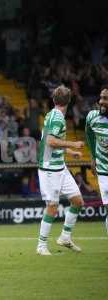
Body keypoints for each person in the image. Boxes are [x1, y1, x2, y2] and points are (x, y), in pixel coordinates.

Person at [36, 85, 85, 256]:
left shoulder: (51, 114)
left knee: (78, 201)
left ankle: (65, 237)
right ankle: (41, 246)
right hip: (50, 169)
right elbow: (50, 141)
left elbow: (49, 141)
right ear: (69, 101)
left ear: (54, 100)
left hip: (60, 167)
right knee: (52, 205)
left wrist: (70, 152)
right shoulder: (57, 118)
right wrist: (73, 144)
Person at [85, 88, 108, 233]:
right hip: (104, 170)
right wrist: (93, 156)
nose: (101, 102)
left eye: (106, 98)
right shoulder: (93, 117)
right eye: (101, 98)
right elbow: (89, 134)